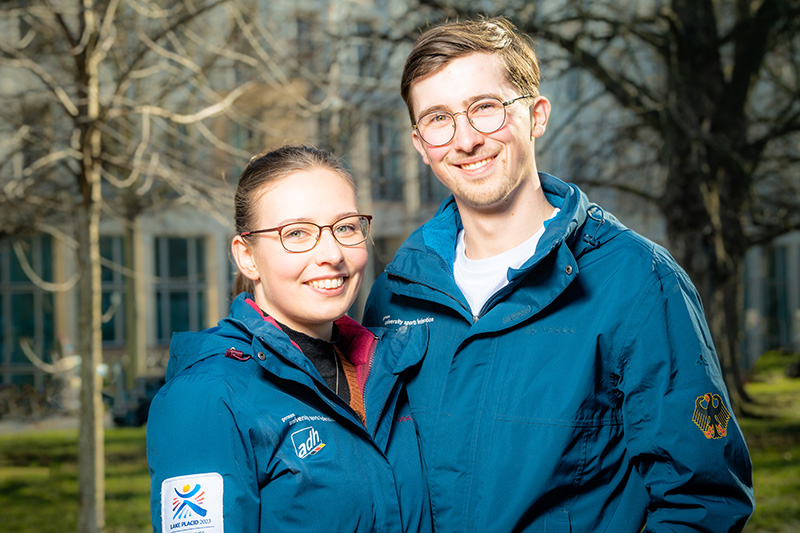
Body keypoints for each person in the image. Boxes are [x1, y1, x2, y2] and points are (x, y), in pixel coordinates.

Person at [363, 16, 755, 532]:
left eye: (486, 108)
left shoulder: (640, 282)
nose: (465, 140)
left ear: (536, 115)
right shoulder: (395, 293)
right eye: (439, 118)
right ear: (419, 142)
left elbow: (701, 504)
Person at [147, 145, 431, 532]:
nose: (332, 253)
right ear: (246, 256)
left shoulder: (391, 372)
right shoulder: (206, 396)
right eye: (296, 233)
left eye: (346, 227)